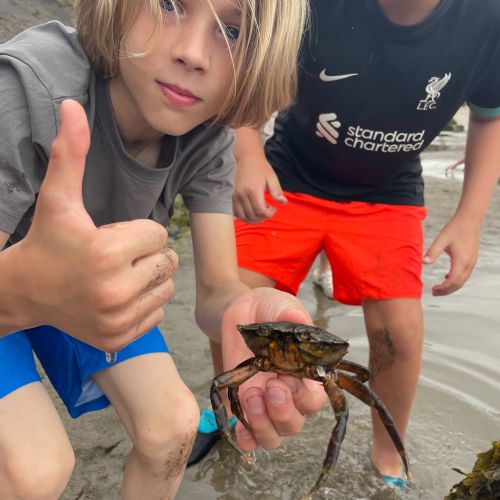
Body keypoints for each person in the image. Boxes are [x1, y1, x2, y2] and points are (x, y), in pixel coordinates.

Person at [0, 0, 327, 498]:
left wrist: (242, 312)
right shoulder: (28, 88)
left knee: (174, 428)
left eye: (232, 32)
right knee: (35, 468)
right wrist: (30, 295)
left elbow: (217, 291)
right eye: (170, 4)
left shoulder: (208, 139)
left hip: (90, 286)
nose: (192, 54)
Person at [193, 0, 500, 490]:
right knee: (237, 296)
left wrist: (469, 218)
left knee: (399, 330)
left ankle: (389, 456)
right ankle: (230, 412)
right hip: (290, 177)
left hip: (387, 192)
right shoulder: (312, 7)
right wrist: (247, 151)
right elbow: (252, 64)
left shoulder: (486, 21)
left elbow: (490, 114)